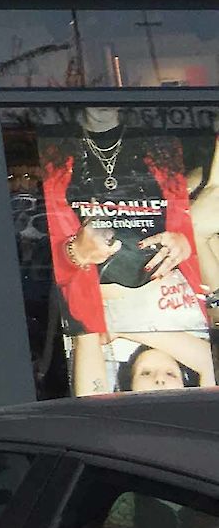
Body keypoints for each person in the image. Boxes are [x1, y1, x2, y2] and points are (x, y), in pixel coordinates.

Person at [43, 108, 215, 395]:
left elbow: (93, 402)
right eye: (170, 378)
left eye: (146, 376)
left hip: (97, 272)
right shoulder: (196, 344)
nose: (159, 380)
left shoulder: (111, 352)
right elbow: (208, 364)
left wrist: (76, 252)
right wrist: (186, 240)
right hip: (167, 256)